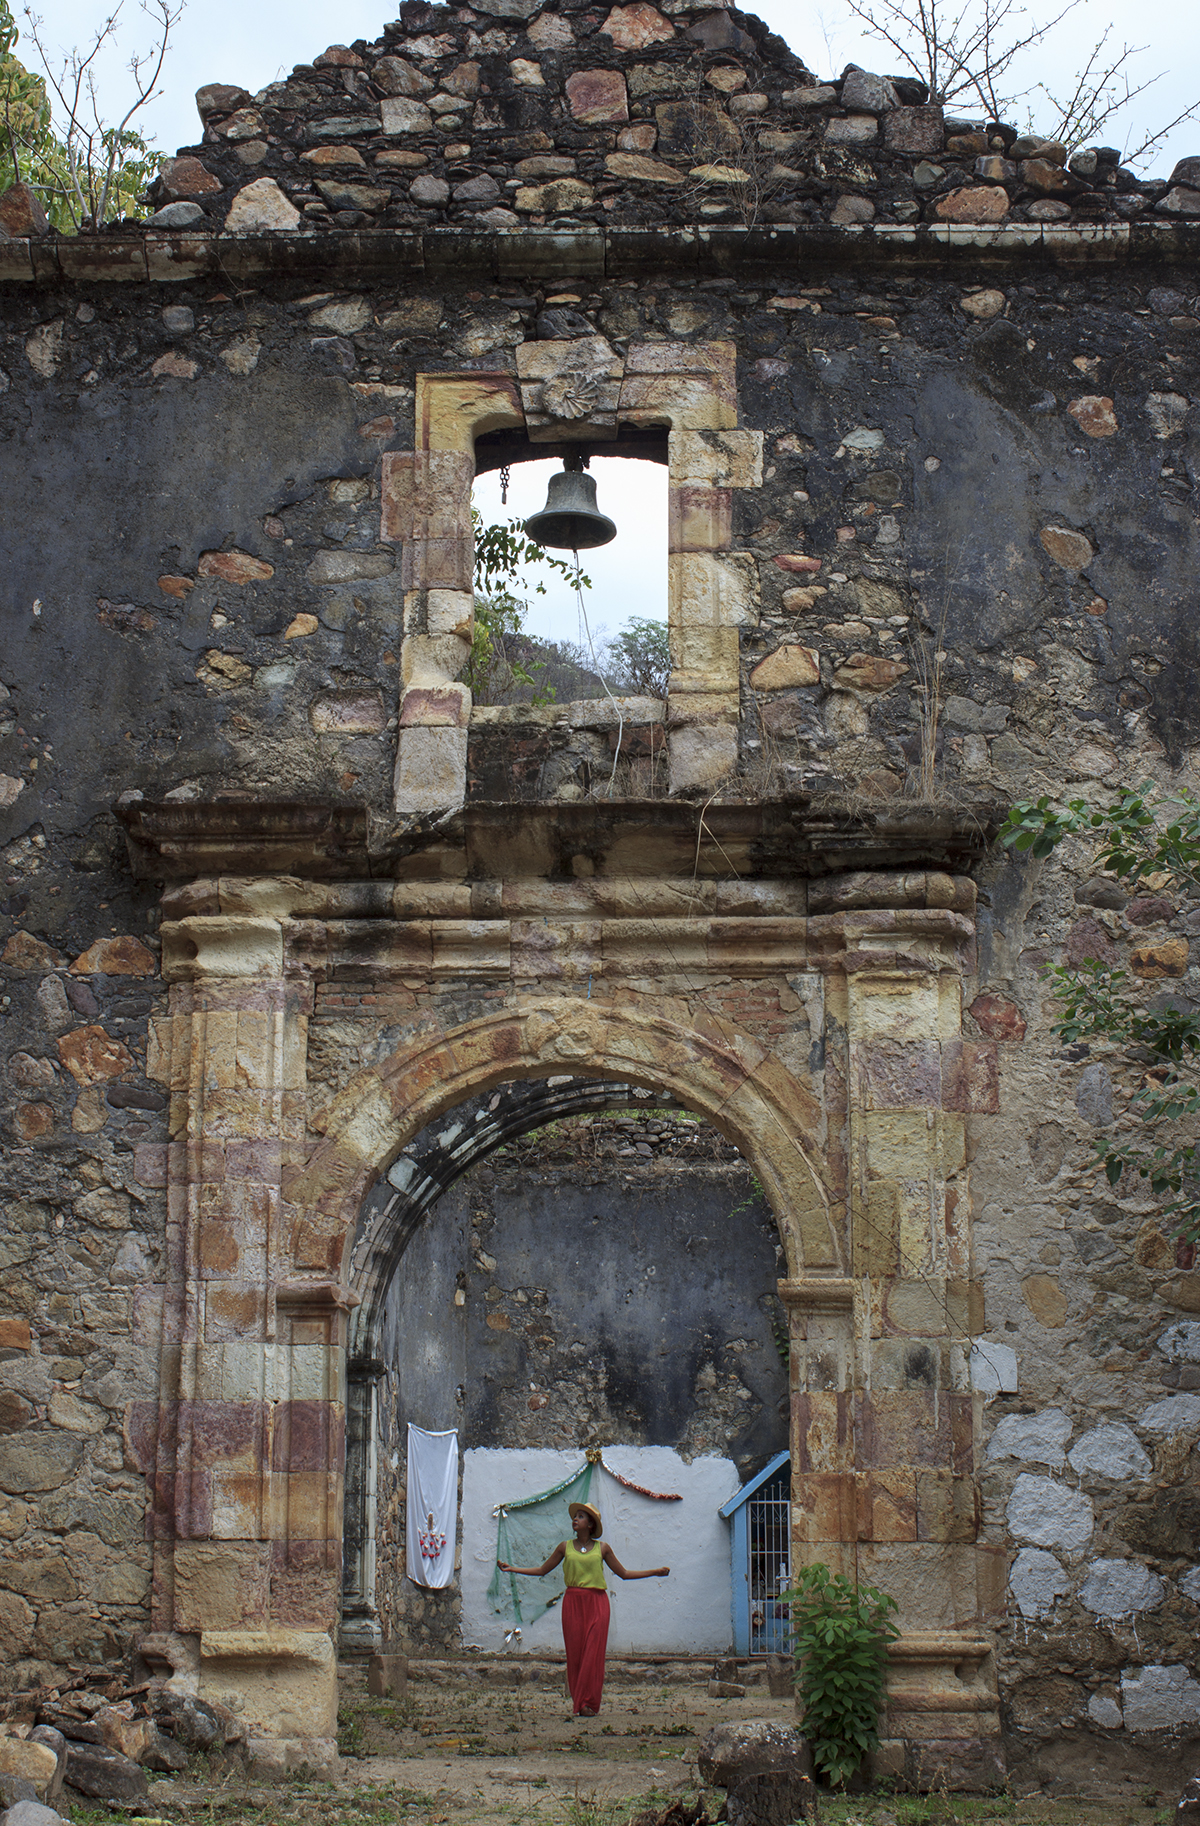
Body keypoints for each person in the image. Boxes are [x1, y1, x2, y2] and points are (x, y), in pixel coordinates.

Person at [497, 1500, 669, 1717]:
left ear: (590, 1524)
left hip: (597, 1603)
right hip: (573, 1603)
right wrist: (513, 1569)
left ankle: (589, 1703)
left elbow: (623, 1574)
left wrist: (654, 1572)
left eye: (580, 1516)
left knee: (593, 1654)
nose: (575, 1519)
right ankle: (580, 1702)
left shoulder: (603, 1548)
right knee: (576, 1654)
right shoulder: (564, 1547)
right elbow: (542, 1570)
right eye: (575, 1516)